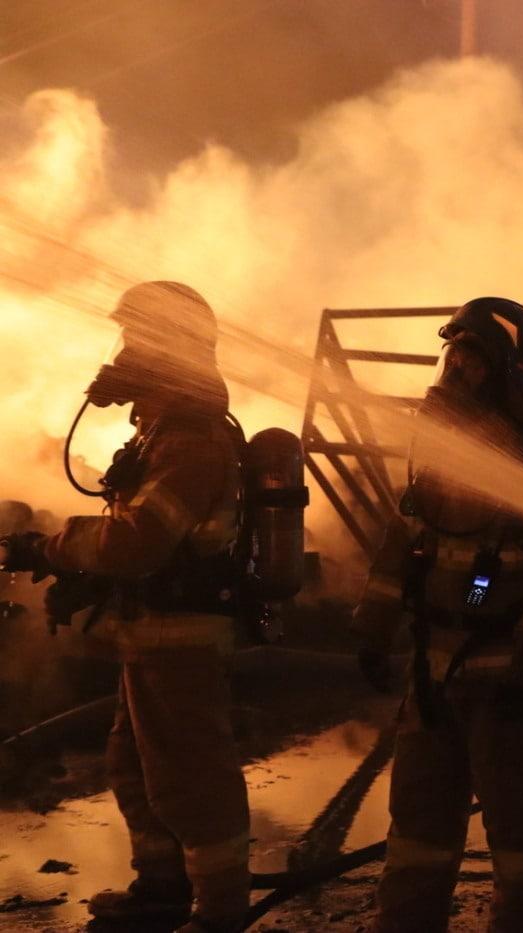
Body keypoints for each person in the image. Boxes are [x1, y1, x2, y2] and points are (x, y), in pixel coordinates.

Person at [0, 281, 250, 932]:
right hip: (152, 636)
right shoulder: (160, 433)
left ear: (173, 347)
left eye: (140, 337)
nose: (126, 349)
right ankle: (162, 890)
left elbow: (137, 542)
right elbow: (138, 538)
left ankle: (221, 913)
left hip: (184, 641)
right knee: (136, 766)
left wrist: (52, 549)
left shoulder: (192, 441)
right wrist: (82, 577)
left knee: (191, 777)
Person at [353, 297, 523, 933]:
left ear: (508, 373)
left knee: (514, 829)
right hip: (432, 679)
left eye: (470, 357)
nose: (454, 368)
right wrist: (372, 631)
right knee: (417, 827)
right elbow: (402, 543)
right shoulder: (438, 450)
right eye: (451, 353)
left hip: (505, 678)